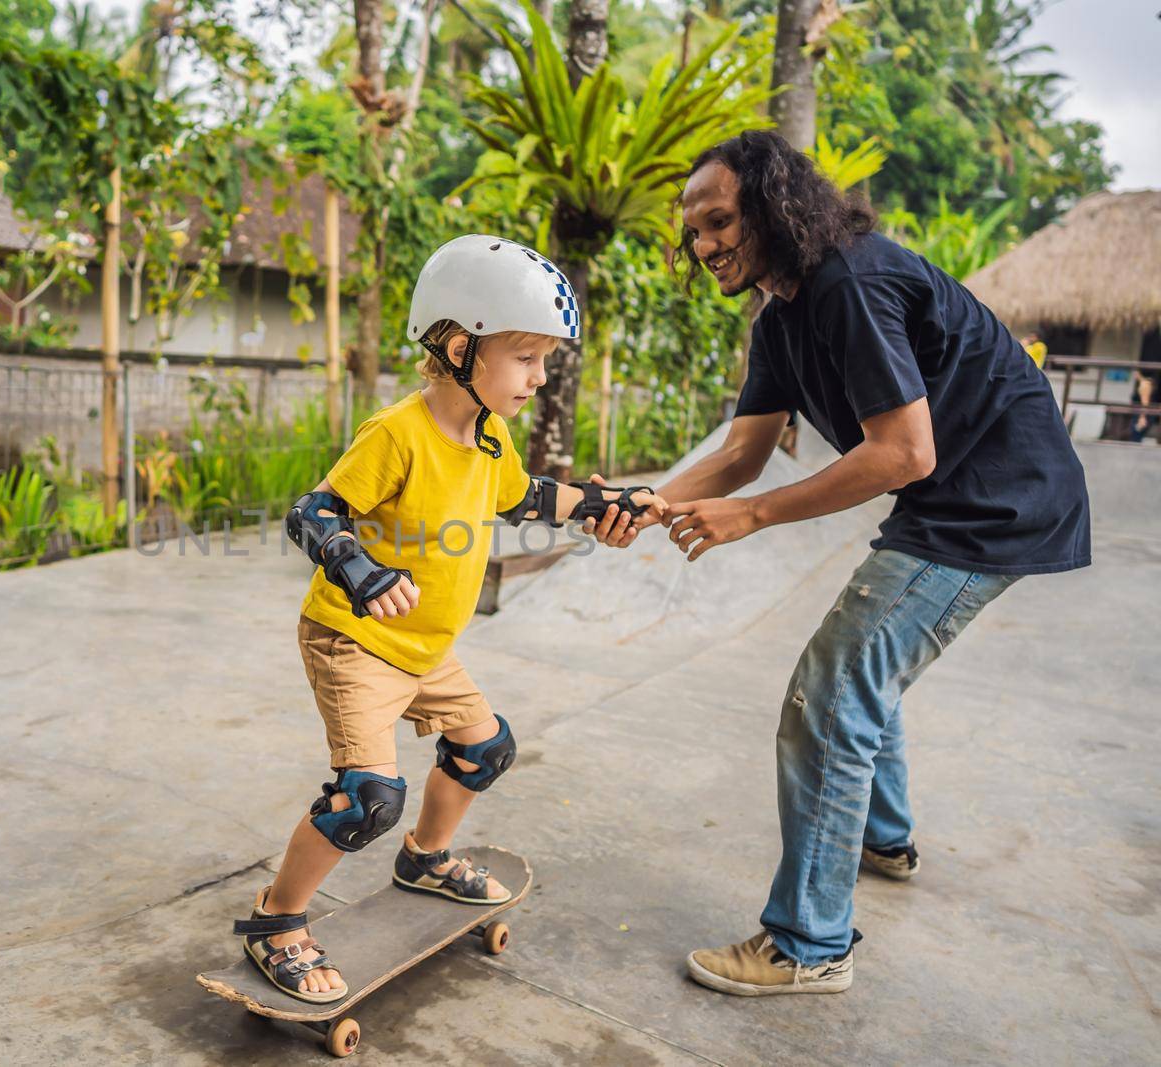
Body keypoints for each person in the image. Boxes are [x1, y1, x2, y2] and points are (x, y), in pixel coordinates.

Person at [594, 130, 1091, 996]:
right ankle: (882, 838)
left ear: (774, 207)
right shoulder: (782, 316)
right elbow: (743, 453)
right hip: (953, 501)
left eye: (720, 221)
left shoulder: (850, 283)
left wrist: (749, 516)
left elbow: (902, 451)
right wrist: (647, 502)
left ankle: (810, 943)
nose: (705, 244)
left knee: (829, 692)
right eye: (695, 232)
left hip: (997, 503)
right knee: (861, 666)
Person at [233, 234, 665, 1002]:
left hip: (424, 646)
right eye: (527, 357)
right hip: (356, 639)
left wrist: (607, 504)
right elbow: (313, 511)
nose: (539, 377)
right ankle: (277, 920)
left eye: (545, 362)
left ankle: (425, 857)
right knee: (365, 796)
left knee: (485, 748)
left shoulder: (490, 435)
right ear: (462, 346)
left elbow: (528, 496)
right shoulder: (397, 432)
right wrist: (360, 569)